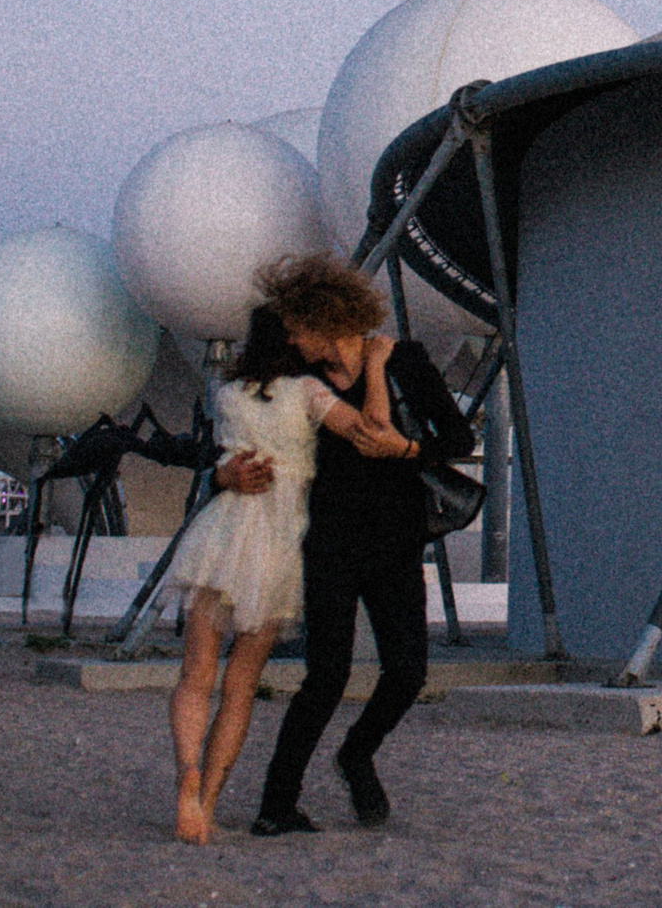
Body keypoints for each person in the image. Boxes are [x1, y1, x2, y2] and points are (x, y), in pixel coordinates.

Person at [224, 257, 474, 836]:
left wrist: (409, 452)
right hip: (330, 540)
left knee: (407, 672)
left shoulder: (404, 360)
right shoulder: (297, 379)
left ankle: (357, 754)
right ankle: (276, 806)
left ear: (328, 318)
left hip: (395, 539)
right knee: (325, 677)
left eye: (298, 325)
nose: (289, 337)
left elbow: (458, 438)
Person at [163, 263, 410, 844]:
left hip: (224, 533)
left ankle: (187, 776)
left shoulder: (226, 396)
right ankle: (211, 799)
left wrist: (225, 475)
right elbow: (373, 429)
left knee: (195, 675)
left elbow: (213, 458)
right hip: (279, 539)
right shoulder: (308, 393)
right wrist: (375, 368)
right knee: (241, 682)